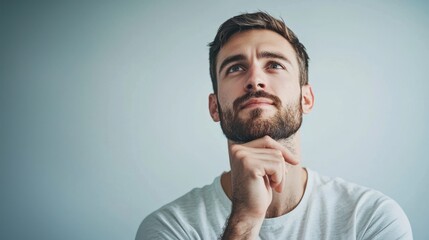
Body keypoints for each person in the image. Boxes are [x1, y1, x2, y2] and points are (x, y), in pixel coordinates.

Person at [136, 11, 413, 239]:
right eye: (235, 67)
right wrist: (244, 221)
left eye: (275, 65)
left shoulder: (372, 219)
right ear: (214, 107)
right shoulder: (170, 229)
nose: (255, 79)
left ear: (306, 98)